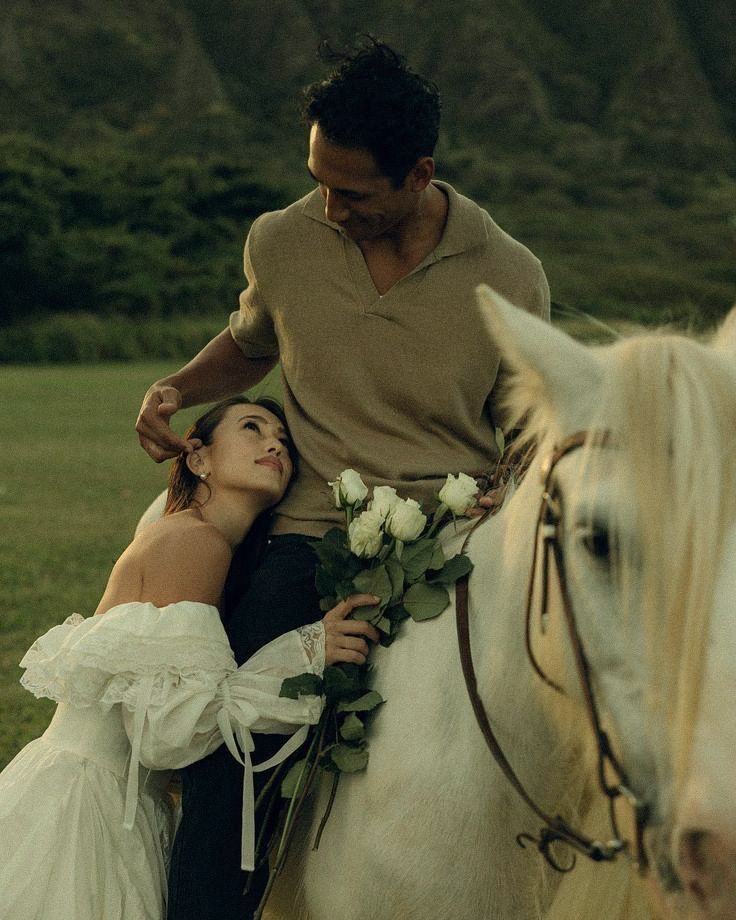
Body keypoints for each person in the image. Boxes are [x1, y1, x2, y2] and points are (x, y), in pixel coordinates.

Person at [135, 38, 550, 919]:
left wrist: (500, 492)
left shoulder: (510, 274)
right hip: (310, 539)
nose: (330, 205)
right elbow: (249, 346)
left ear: (419, 173)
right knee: (233, 752)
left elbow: (528, 428)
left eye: (352, 192)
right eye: (318, 180)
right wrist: (177, 390)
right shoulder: (282, 241)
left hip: (458, 546)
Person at [0, 396, 378, 920]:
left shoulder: (205, 539)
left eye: (284, 442)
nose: (274, 443)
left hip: (123, 800)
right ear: (198, 459)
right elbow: (169, 731)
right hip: (92, 806)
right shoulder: (196, 542)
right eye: (252, 428)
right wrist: (308, 651)